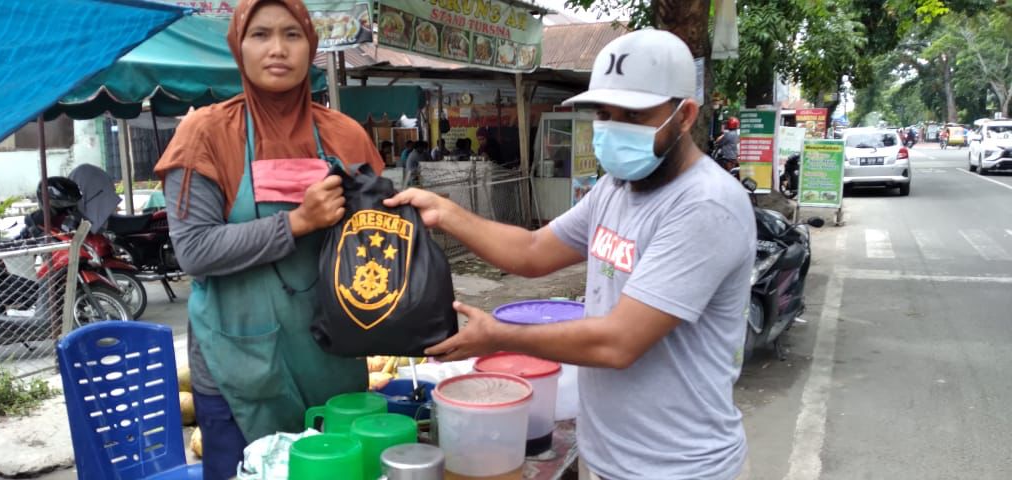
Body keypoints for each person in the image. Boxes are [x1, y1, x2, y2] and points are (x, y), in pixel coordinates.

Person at [385, 29, 753, 480]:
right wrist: (446, 212)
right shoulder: (615, 189)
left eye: (633, 115)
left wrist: (500, 335)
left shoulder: (705, 205)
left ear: (684, 115)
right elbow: (534, 251)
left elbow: (617, 342)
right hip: (608, 456)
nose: (614, 126)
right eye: (604, 113)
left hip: (679, 467)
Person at [154, 1, 384, 478]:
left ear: (311, 46)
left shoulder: (345, 135)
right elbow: (194, 252)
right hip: (235, 364)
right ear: (238, 47)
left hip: (331, 360)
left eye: (292, 35)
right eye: (260, 35)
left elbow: (375, 243)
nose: (277, 49)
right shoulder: (206, 134)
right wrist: (298, 222)